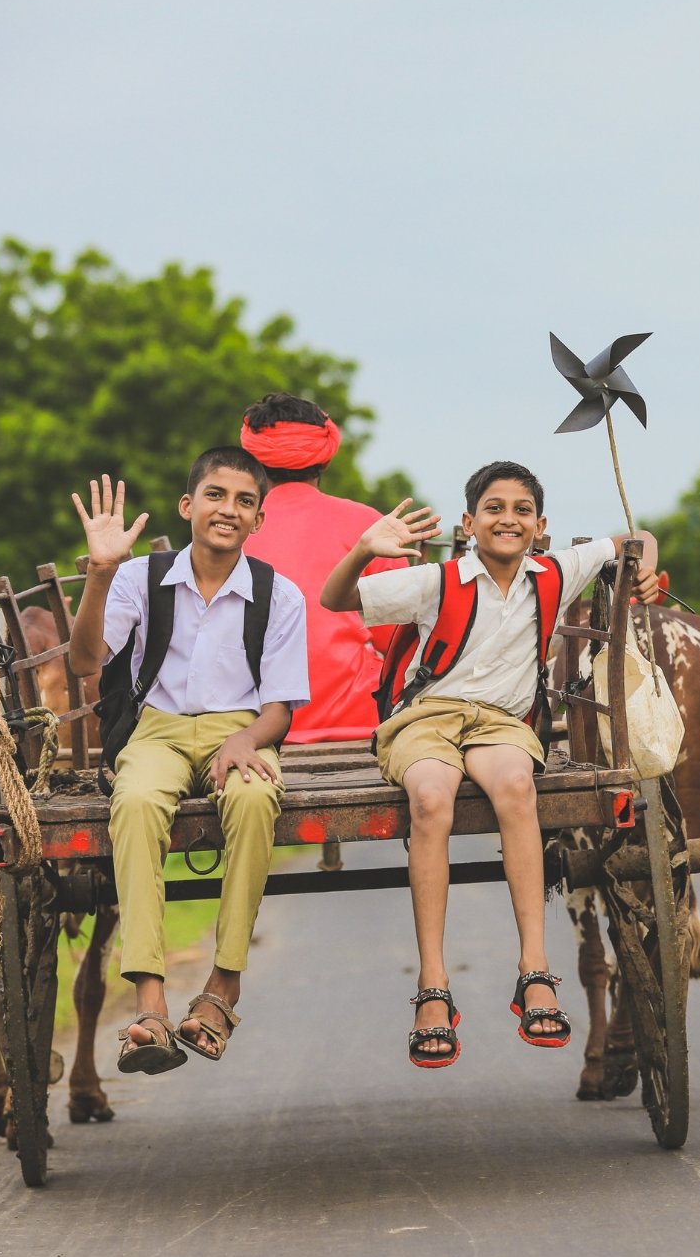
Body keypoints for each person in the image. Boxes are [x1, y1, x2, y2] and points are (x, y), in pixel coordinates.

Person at [321, 460, 659, 1066]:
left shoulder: (555, 574)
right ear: (469, 521)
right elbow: (334, 597)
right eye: (494, 508)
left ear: (540, 524)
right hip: (424, 719)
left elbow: (637, 540)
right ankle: (433, 985)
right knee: (430, 797)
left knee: (516, 788)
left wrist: (644, 570)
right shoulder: (438, 581)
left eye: (521, 510)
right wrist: (364, 548)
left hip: (502, 724)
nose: (508, 519)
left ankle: (534, 969)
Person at [69, 450, 309, 1074]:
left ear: (258, 519)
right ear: (188, 505)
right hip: (158, 728)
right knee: (138, 801)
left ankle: (222, 986)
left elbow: (280, 708)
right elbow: (84, 661)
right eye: (214, 494)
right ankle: (150, 1002)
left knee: (256, 798)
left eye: (244, 500)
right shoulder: (137, 580)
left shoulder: (277, 594)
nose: (227, 509)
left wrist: (248, 740)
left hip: (242, 728)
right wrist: (100, 570)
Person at [239, 391, 406, 743]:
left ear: (252, 459)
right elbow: (398, 641)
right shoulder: (368, 525)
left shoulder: (229, 530)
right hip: (364, 723)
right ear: (325, 458)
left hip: (252, 731)